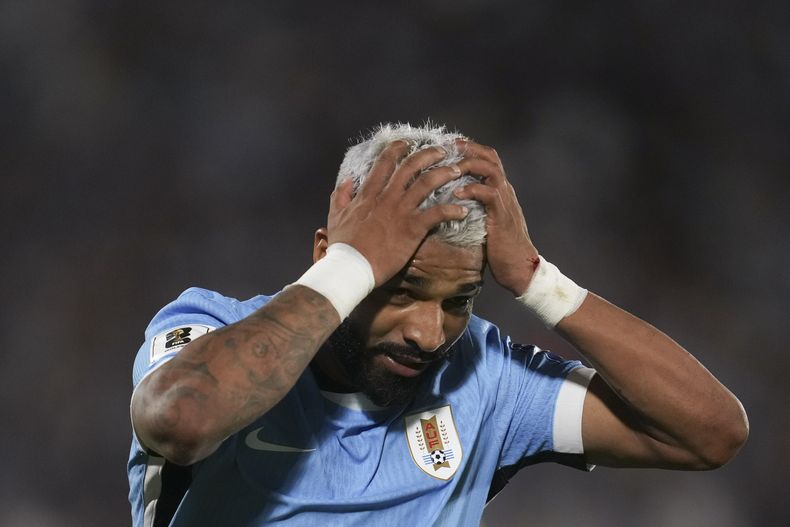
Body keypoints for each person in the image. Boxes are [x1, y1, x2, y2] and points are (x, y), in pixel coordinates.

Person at [127, 123, 748, 526]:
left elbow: (708, 433)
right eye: (401, 289)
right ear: (330, 257)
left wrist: (538, 280)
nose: (428, 333)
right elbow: (180, 420)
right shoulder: (211, 329)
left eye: (459, 300)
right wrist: (355, 267)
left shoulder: (485, 377)